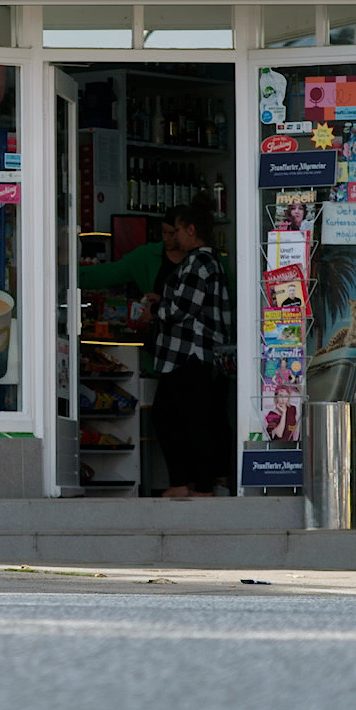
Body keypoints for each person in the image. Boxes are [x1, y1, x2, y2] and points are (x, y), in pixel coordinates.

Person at [142, 201, 234, 498]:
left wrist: (156, 309)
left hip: (189, 353)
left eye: (178, 230)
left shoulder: (198, 262)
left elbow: (183, 309)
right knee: (188, 418)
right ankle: (189, 482)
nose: (174, 237)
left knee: (177, 418)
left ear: (192, 230)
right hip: (201, 354)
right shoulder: (211, 263)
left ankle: (193, 485)